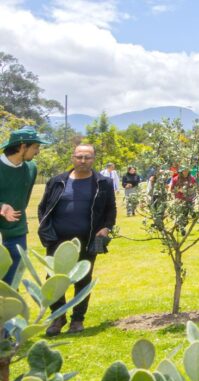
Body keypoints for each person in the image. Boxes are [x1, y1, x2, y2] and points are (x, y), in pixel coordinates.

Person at [39, 144, 116, 335]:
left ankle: (77, 320)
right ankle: (58, 317)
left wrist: (106, 228)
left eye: (87, 157)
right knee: (54, 280)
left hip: (87, 239)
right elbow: (43, 209)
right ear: (72, 158)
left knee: (83, 279)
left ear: (94, 159)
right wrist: (47, 233)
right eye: (79, 157)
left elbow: (110, 209)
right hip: (58, 241)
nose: (83, 161)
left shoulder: (103, 183)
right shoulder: (57, 181)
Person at [0, 126, 50, 284]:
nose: (38, 152)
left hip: (16, 224)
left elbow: (24, 197)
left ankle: (10, 300)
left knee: (16, 265)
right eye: (36, 147)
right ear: (22, 147)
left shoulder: (31, 168)